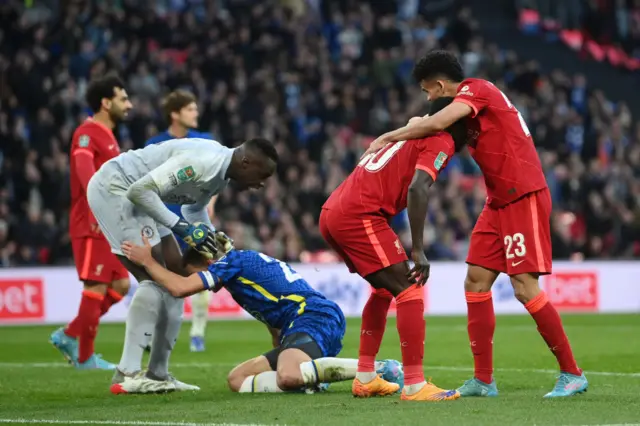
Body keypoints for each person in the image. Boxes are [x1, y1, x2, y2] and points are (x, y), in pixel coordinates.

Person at [363, 50, 588, 398]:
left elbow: (434, 122)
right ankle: (484, 380)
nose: (428, 99)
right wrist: (411, 126)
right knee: (476, 281)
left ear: (439, 85)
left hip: (522, 194)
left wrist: (389, 136)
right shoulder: (467, 112)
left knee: (524, 287)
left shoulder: (477, 89)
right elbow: (427, 122)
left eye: (428, 92)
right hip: (497, 201)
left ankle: (572, 374)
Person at [86, 134, 277, 394]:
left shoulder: (220, 175)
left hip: (143, 198)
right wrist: (181, 228)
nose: (263, 183)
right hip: (116, 188)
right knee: (153, 278)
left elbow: (192, 212)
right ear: (246, 162)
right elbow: (139, 191)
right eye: (263, 174)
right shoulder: (202, 162)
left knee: (175, 276)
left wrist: (211, 239)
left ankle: (158, 374)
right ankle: (126, 374)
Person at [119, 232, 405, 394]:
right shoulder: (241, 270)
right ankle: (312, 380)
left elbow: (179, 288)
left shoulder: (229, 265)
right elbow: (274, 321)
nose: (202, 285)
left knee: (288, 375)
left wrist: (147, 262)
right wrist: (283, 350)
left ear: (207, 262)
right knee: (237, 380)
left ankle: (380, 369)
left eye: (197, 274)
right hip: (299, 324)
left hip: (314, 316)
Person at [319, 98, 466, 402]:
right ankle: (414, 385)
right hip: (358, 215)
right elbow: (417, 188)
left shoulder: (408, 132)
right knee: (409, 290)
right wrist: (419, 250)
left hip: (334, 210)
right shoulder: (440, 138)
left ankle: (365, 377)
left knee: (384, 290)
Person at [49, 73, 133, 370]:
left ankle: (70, 334)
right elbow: (85, 173)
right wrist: (103, 205)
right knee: (96, 287)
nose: (130, 105)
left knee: (121, 284)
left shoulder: (109, 136)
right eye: (123, 99)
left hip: (109, 224)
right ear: (105, 102)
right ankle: (85, 357)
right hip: (91, 223)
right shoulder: (87, 133)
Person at [145, 90, 217, 353]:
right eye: (190, 109)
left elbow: (216, 178)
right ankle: (154, 334)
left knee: (201, 271)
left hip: (195, 219)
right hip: (163, 219)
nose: (195, 113)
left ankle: (197, 332)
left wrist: (210, 204)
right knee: (162, 277)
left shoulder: (205, 141)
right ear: (175, 114)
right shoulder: (156, 144)